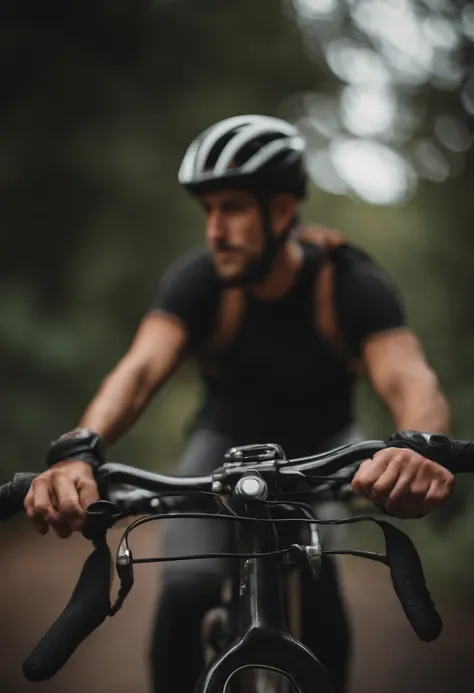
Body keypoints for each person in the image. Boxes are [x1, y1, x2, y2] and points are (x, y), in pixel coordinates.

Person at [24, 114, 454, 693]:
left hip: (326, 450)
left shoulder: (350, 283)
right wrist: (80, 449)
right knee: (187, 586)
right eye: (208, 212)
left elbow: (411, 380)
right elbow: (142, 367)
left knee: (319, 587)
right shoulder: (199, 281)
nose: (215, 229)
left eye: (232, 207)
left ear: (280, 212)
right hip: (220, 445)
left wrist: (416, 448)